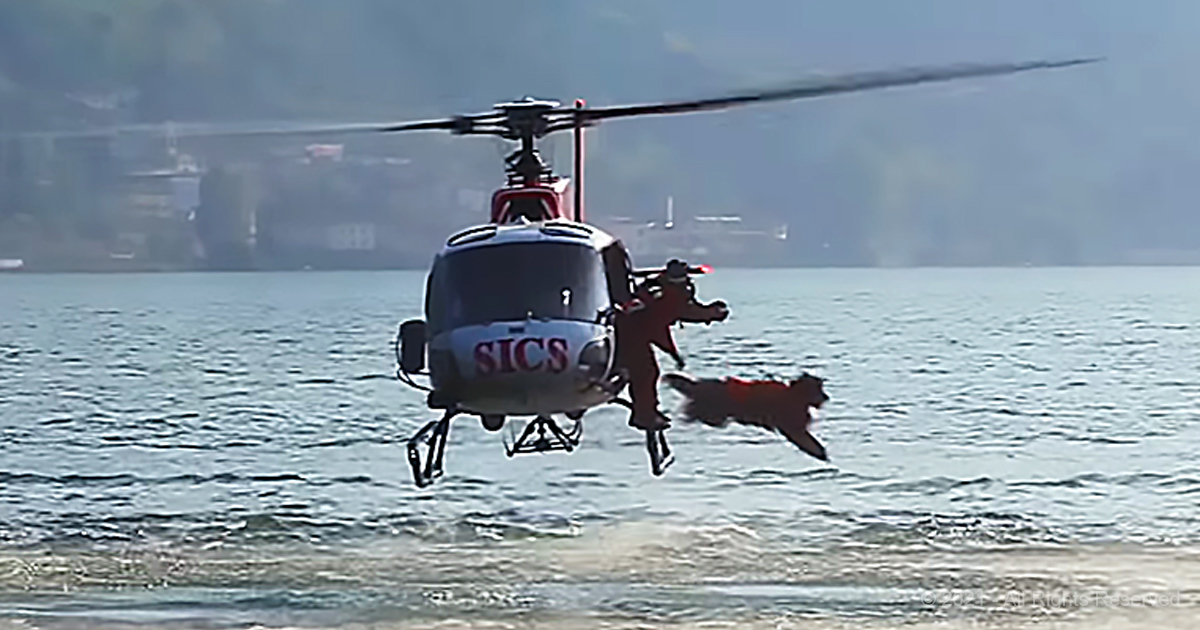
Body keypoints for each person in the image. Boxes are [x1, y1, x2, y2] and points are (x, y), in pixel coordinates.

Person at [613, 259, 729, 431]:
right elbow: (661, 324)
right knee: (646, 372)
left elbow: (684, 311)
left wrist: (709, 313)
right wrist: (673, 353)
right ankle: (644, 415)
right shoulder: (663, 294)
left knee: (641, 371)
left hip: (632, 333)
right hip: (629, 335)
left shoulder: (666, 290)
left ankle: (644, 408)